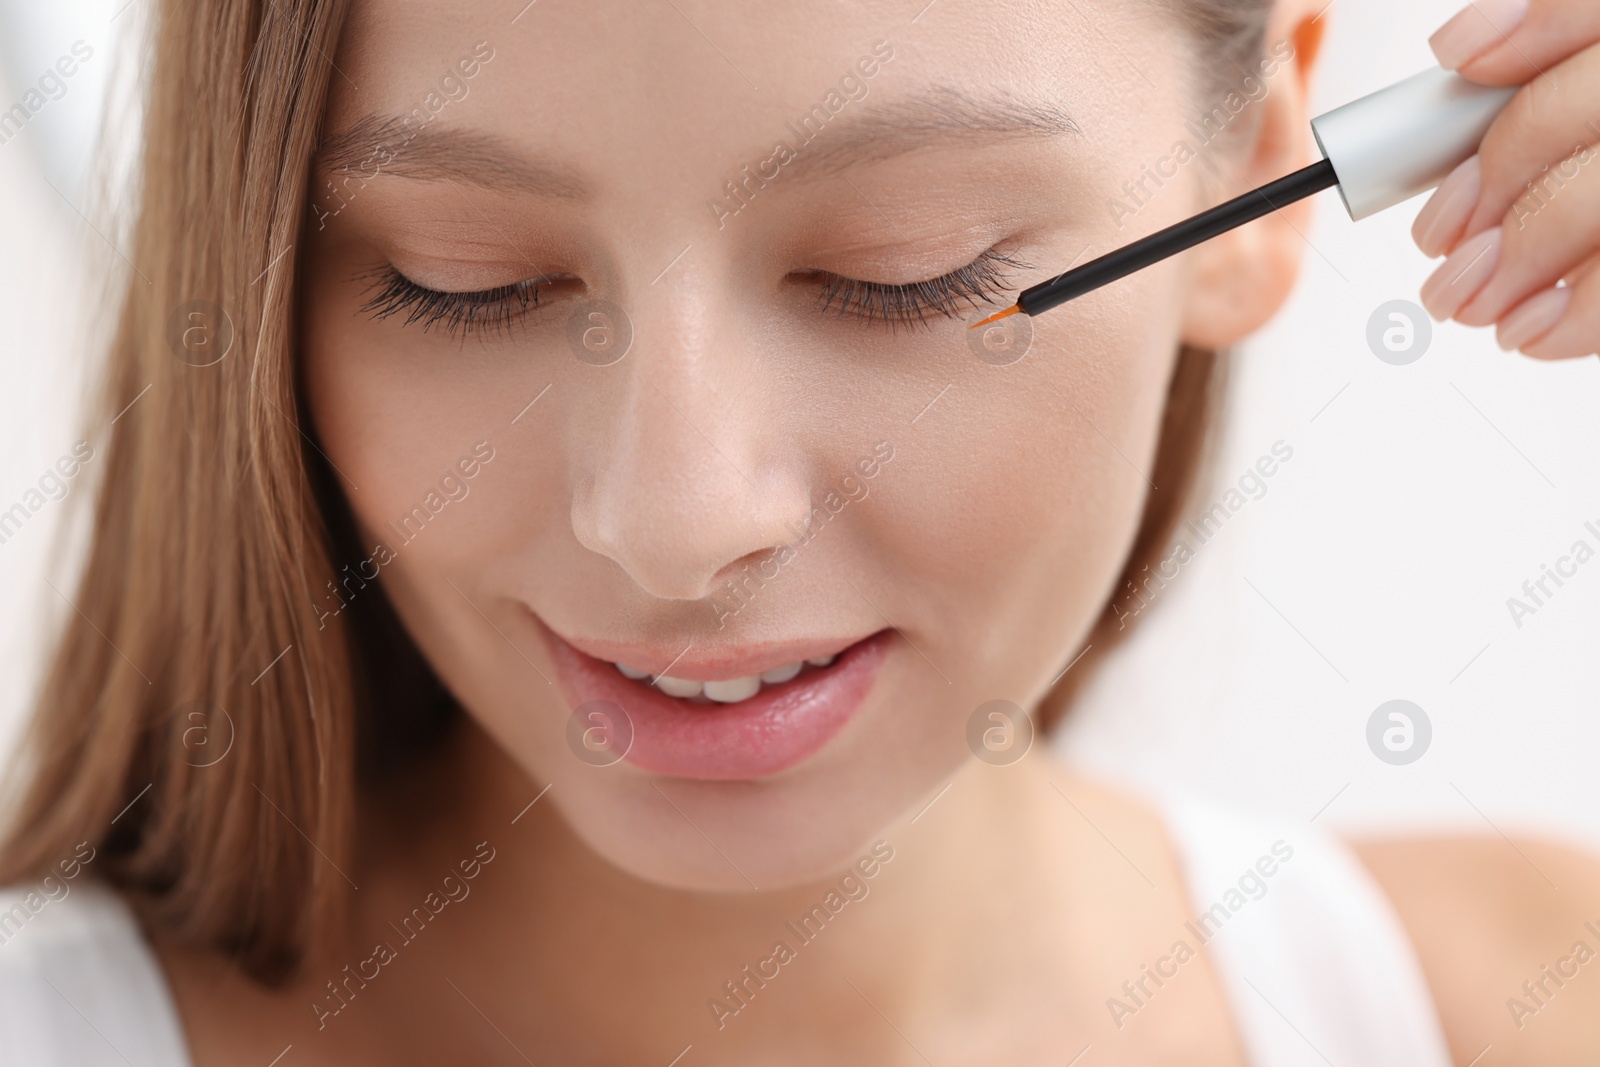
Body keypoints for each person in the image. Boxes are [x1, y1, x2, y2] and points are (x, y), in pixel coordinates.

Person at [1, 0, 1597, 1063]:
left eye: (905, 267)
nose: (677, 521)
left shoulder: (1518, 999)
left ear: (1257, 155)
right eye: (465, 277)